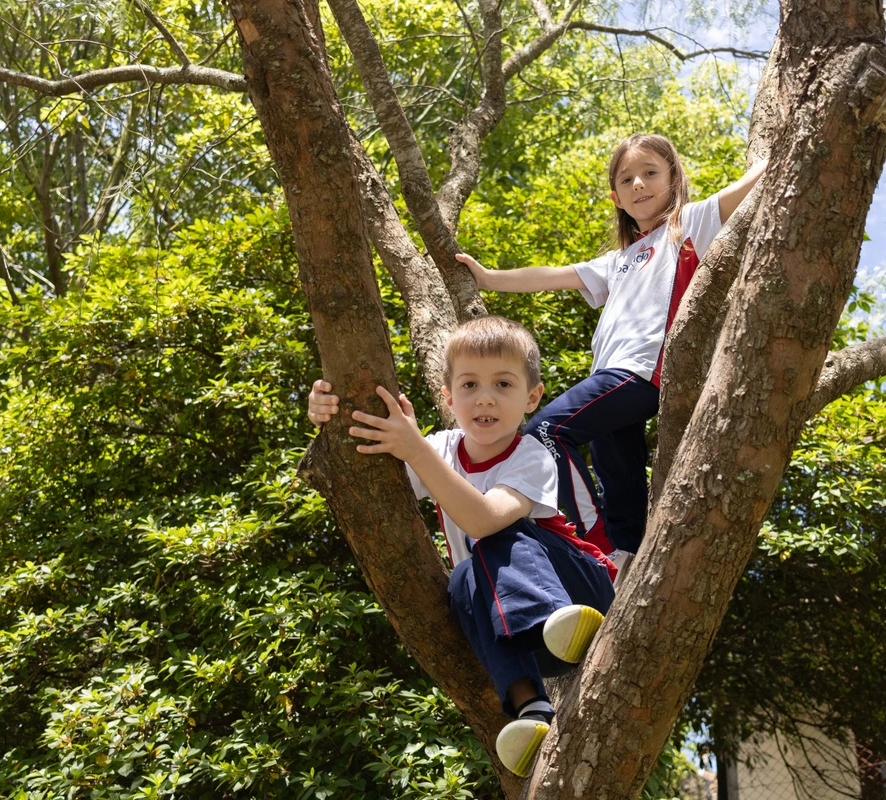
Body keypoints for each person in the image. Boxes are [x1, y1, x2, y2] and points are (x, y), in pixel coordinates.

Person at [306, 316, 616, 777]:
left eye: (503, 384)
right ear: (449, 399)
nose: (485, 397)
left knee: (492, 535)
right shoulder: (441, 449)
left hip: (579, 600)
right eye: (469, 384)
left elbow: (484, 517)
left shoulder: (531, 454)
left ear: (532, 397)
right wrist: (327, 415)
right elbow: (360, 481)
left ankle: (549, 617)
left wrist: (415, 451)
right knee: (463, 578)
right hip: (527, 636)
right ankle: (530, 709)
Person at [457, 134, 768, 571]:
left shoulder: (689, 224)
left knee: (544, 432)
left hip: (641, 372)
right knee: (619, 488)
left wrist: (770, 157)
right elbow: (550, 276)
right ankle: (627, 563)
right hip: (611, 379)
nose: (639, 184)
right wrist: (488, 278)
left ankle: (590, 551)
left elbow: (744, 192)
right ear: (616, 197)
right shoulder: (619, 260)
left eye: (651, 173)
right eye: (627, 179)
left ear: (674, 180)